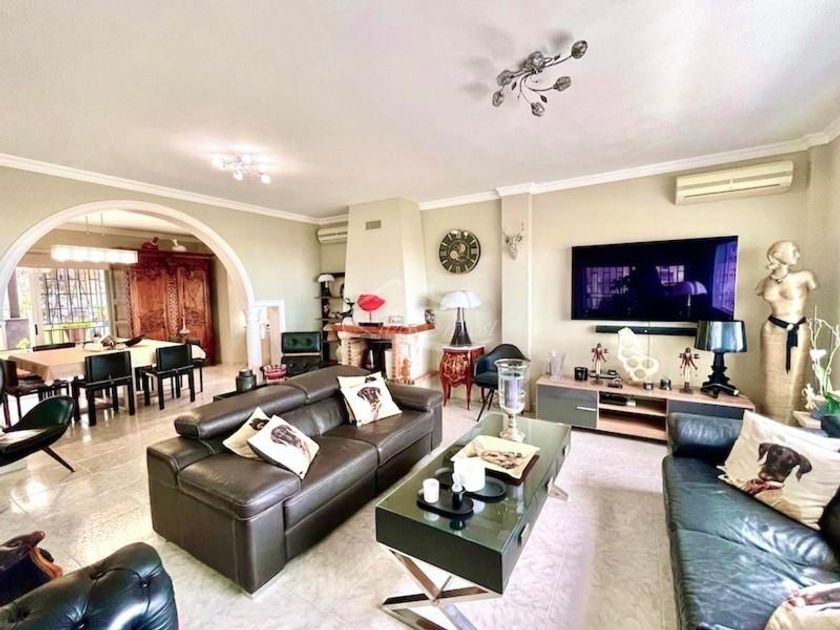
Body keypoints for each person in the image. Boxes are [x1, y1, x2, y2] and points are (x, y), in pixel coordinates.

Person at [756, 241, 819, 423]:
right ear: (777, 254)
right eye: (794, 251)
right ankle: (768, 422)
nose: (797, 255)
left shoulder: (805, 276)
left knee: (793, 379)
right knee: (769, 380)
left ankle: (788, 424)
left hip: (797, 329)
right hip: (771, 329)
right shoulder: (765, 282)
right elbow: (759, 291)